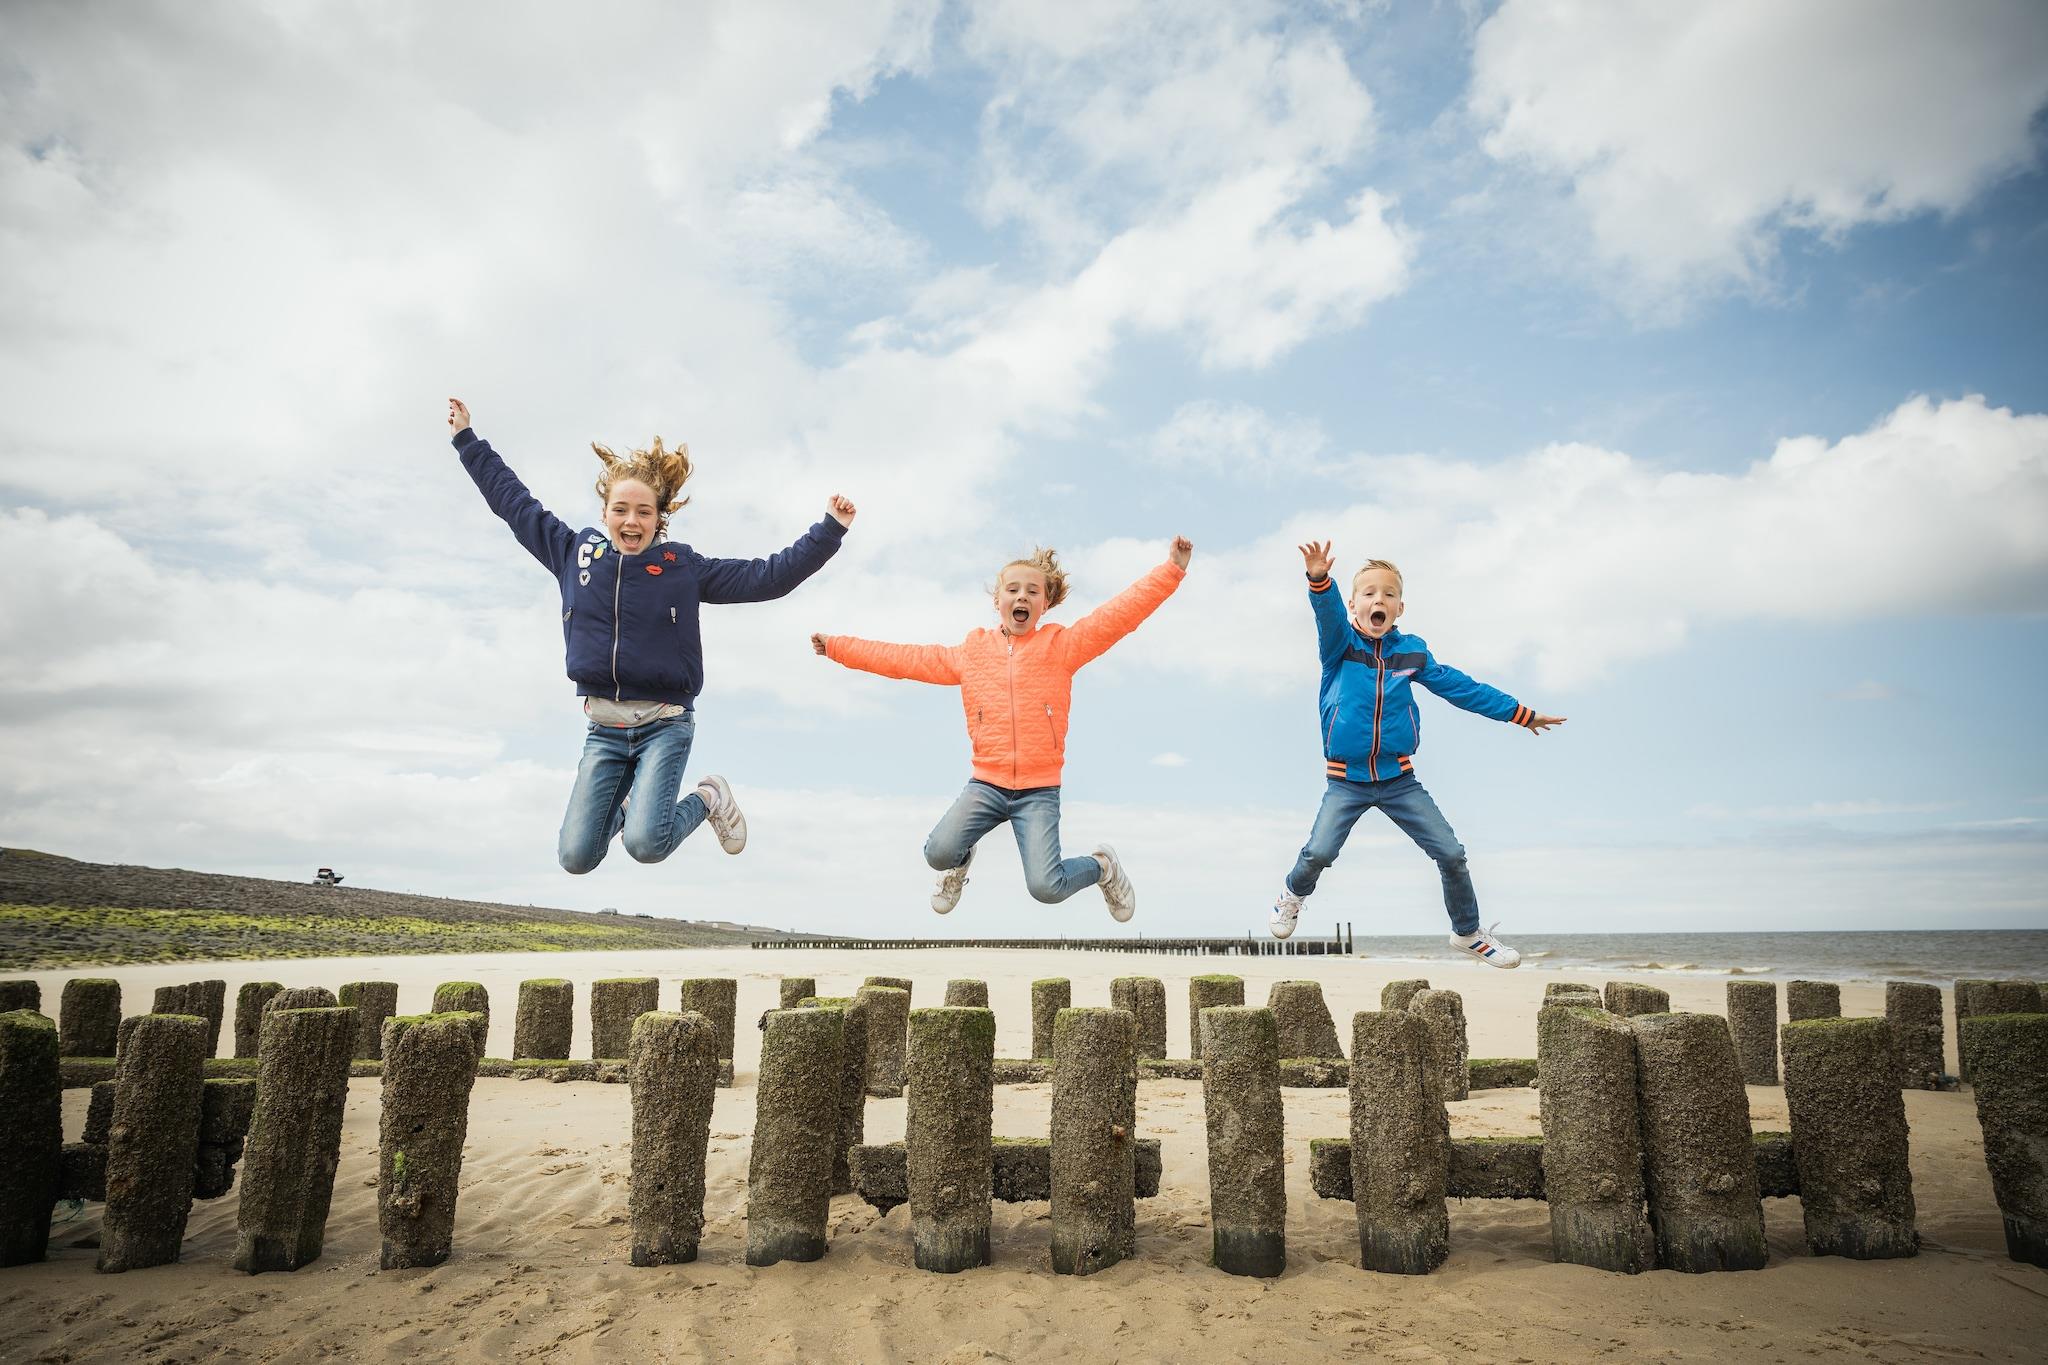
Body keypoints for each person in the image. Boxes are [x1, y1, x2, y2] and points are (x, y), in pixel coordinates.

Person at [446, 397, 854, 874]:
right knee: (576, 857)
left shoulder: (682, 568)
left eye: (643, 512)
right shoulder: (573, 554)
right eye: (621, 510)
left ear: (659, 517)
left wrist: (829, 531)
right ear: (605, 514)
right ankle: (631, 810)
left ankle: (709, 798)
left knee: (646, 844)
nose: (631, 521)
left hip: (665, 724)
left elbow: (767, 578)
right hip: (604, 730)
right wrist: (467, 441)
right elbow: (512, 502)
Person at [812, 539, 1191, 921]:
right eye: (1013, 589)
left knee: (1047, 887)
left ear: (1045, 603)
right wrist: (838, 648)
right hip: (987, 785)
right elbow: (904, 659)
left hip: (1038, 791)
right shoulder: (972, 654)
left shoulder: (1062, 647)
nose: (1022, 596)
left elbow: (1118, 616)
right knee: (937, 853)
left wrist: (1171, 571)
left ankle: (1102, 867)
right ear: (998, 600)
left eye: (1032, 591)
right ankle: (959, 864)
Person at [1271, 543, 1563, 966]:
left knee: (1451, 854)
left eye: (1388, 594)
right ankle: (1292, 894)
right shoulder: (1339, 645)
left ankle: (1468, 933)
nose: (1379, 599)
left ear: (1399, 608)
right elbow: (1327, 614)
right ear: (1353, 605)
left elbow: (1463, 689)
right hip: (1347, 782)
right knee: (1319, 853)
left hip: (1399, 781)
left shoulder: (1411, 653)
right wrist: (1320, 581)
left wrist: (1520, 714)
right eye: (1369, 593)